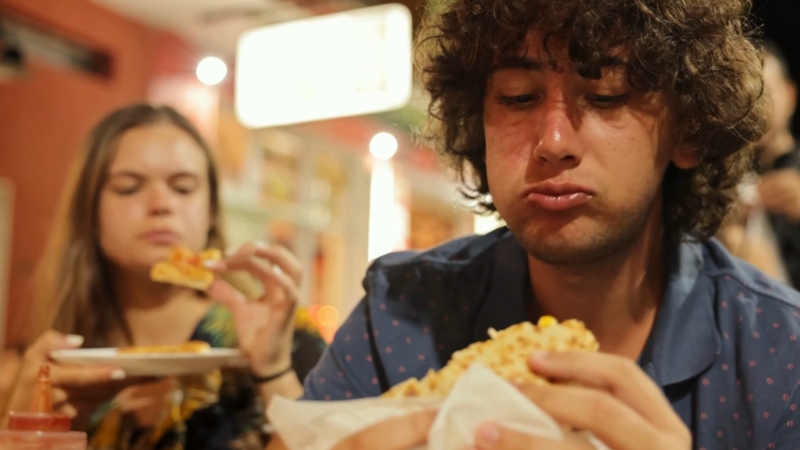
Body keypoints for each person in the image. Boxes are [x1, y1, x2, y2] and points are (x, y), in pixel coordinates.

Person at [269, 0, 800, 448]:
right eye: (518, 97)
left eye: (606, 95)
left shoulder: (780, 355)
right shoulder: (402, 311)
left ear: (687, 130)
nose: (553, 143)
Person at [0, 104, 326, 449]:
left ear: (211, 212)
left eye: (183, 188)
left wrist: (274, 370)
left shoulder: (284, 336)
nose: (161, 204)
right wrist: (23, 429)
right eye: (128, 187)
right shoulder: (59, 360)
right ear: (90, 212)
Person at [718, 41, 800, 287]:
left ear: (789, 94)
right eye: (743, 98)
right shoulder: (721, 176)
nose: (754, 109)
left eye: (764, 94)